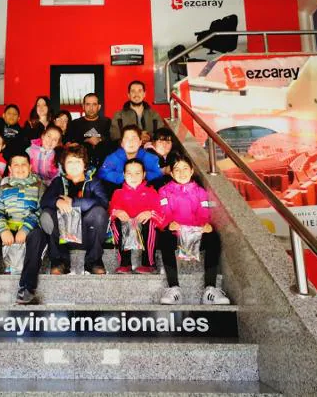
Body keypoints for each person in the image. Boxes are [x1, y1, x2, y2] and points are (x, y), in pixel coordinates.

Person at [0, 153, 47, 305]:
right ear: (10, 169)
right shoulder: (3, 189)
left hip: (29, 230)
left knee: (39, 236)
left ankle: (27, 288)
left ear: (30, 167)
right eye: (16, 165)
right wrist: (3, 230)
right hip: (6, 230)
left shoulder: (39, 186)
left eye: (23, 164)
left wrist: (25, 229)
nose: (20, 168)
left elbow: (41, 210)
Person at [156, 153, 230, 305]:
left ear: (191, 171)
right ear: (171, 173)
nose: (182, 173)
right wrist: (170, 224)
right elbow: (163, 213)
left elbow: (204, 213)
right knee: (165, 236)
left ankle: (210, 289)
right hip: (175, 235)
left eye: (185, 169)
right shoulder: (163, 191)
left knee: (214, 237)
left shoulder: (200, 192)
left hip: (195, 234)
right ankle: (174, 289)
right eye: (177, 169)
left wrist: (204, 226)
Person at [40, 144, 108, 275]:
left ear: (85, 165)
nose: (73, 165)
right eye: (69, 161)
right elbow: (44, 201)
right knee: (47, 214)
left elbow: (103, 202)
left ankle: (93, 262)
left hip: (87, 235)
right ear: (64, 165)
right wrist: (57, 201)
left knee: (99, 212)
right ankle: (60, 262)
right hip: (64, 237)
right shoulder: (59, 182)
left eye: (78, 161)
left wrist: (75, 203)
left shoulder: (94, 182)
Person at [108, 159, 163, 274]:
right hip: (126, 227)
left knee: (150, 223)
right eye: (129, 173)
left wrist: (150, 213)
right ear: (123, 174)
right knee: (116, 222)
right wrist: (117, 212)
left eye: (137, 173)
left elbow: (160, 214)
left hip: (145, 229)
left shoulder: (151, 192)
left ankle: (149, 263)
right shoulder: (118, 193)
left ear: (144, 174)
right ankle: (125, 262)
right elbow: (111, 212)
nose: (133, 176)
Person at [98, 125, 163, 192]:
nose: (130, 142)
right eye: (127, 139)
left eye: (134, 138)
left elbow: (158, 174)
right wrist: (125, 177)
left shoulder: (151, 158)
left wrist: (140, 176)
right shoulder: (113, 158)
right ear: (122, 143)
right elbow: (103, 173)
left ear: (140, 142)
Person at [66, 93, 112, 168]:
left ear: (99, 107)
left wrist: (100, 139)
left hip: (104, 164)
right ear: (83, 106)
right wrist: (86, 141)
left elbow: (113, 141)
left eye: (94, 104)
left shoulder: (107, 122)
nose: (91, 108)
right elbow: (68, 144)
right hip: (80, 164)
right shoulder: (74, 123)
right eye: (88, 104)